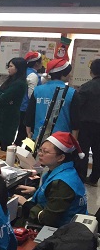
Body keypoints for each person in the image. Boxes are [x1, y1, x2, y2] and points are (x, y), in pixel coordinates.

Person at [15, 132, 87, 228]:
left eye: (45, 152)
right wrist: (36, 191)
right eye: (40, 150)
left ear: (61, 157)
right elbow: (57, 197)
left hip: (61, 229)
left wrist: (25, 203)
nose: (40, 154)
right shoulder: (67, 170)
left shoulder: (62, 183)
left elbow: (48, 219)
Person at [26, 57, 80, 141]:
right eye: (69, 73)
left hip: (39, 136)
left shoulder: (37, 90)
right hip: (62, 139)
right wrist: (74, 140)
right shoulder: (71, 93)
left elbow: (29, 113)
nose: (70, 75)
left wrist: (29, 133)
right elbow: (75, 120)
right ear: (63, 74)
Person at [0, 57, 28, 151]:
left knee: (6, 145)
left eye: (11, 66)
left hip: (9, 118)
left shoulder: (20, 83)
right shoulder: (10, 80)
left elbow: (1, 99)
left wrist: (2, 96)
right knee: (2, 144)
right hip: (1, 115)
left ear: (18, 68)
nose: (8, 68)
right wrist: (3, 96)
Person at [76, 58, 100, 186]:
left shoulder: (86, 87)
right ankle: (94, 178)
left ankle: (81, 176)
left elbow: (78, 106)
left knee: (83, 151)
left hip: (86, 124)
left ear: (91, 72)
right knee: (98, 152)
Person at [15, 52, 42, 145]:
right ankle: (24, 151)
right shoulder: (33, 75)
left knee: (22, 133)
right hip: (28, 109)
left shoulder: (26, 72)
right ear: (36, 63)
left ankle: (18, 150)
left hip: (22, 107)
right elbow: (32, 95)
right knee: (26, 134)